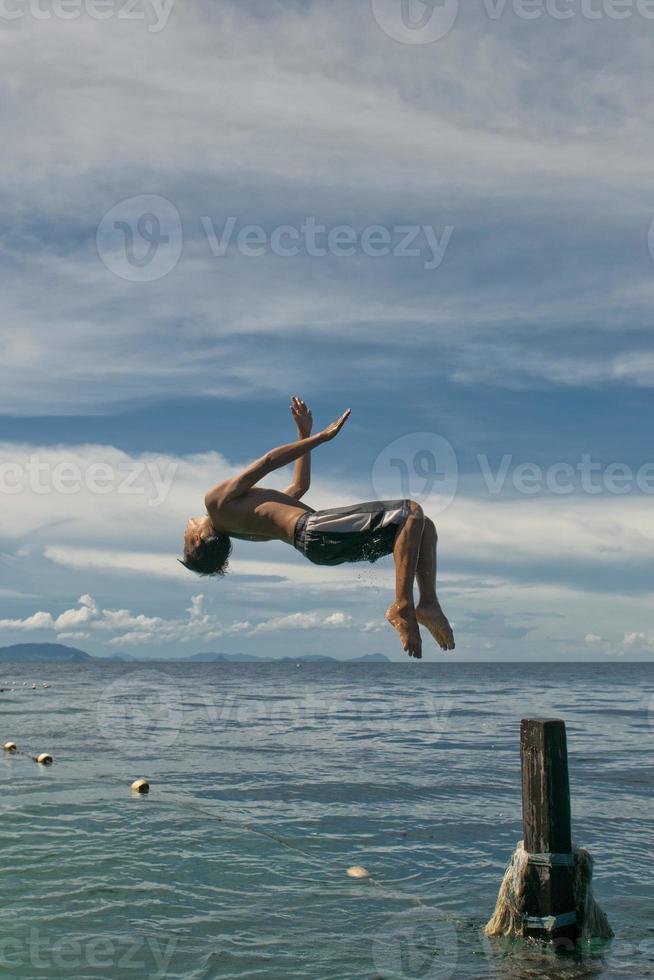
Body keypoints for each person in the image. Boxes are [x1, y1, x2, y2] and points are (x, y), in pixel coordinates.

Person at [181, 398, 455, 659]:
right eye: (184, 539)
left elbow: (299, 488)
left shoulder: (240, 527)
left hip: (319, 550)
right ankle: (404, 607)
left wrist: (303, 435)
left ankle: (428, 604)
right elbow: (267, 462)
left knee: (423, 527)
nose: (185, 528)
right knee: (411, 512)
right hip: (315, 529)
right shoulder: (215, 503)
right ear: (199, 540)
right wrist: (322, 437)